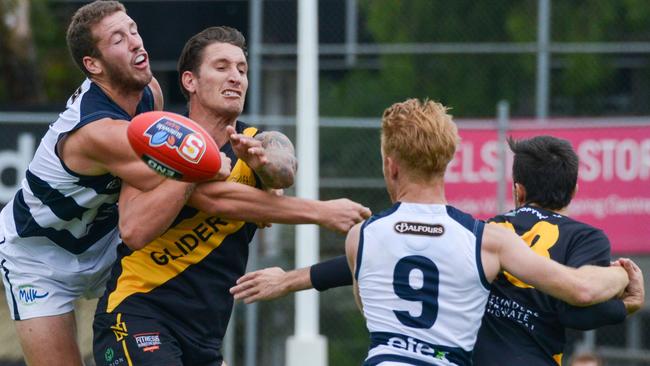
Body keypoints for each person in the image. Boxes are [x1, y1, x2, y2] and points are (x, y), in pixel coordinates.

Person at [0, 3, 369, 366]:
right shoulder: (99, 133)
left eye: (133, 29)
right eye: (117, 39)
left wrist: (267, 171)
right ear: (93, 65)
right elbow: (205, 196)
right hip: (40, 259)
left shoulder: (150, 95)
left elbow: (274, 175)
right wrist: (318, 210)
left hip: (101, 247)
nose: (134, 42)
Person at [233, 99, 633, 366]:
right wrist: (622, 277)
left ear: (391, 166)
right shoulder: (485, 241)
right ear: (447, 163)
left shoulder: (362, 238)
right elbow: (579, 291)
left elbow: (366, 298)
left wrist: (291, 279)